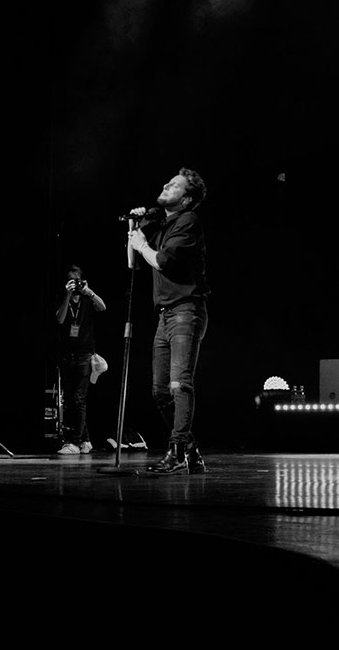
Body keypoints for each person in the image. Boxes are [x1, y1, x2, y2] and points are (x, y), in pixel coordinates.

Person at [128, 167, 210, 475]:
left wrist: (142, 244)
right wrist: (135, 229)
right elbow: (132, 261)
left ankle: (176, 452)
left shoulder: (188, 222)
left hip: (186, 311)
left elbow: (161, 261)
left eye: (174, 185)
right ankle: (191, 450)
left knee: (179, 384)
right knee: (160, 391)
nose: (166, 185)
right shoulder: (161, 224)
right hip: (165, 316)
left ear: (187, 199)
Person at [54, 264, 107, 455]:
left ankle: (75, 442)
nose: (75, 285)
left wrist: (89, 291)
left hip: (85, 355)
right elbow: (59, 320)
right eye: (71, 281)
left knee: (79, 399)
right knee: (70, 399)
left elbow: (103, 307)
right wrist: (67, 295)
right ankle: (85, 440)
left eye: (77, 280)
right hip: (67, 355)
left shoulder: (87, 299)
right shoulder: (63, 299)